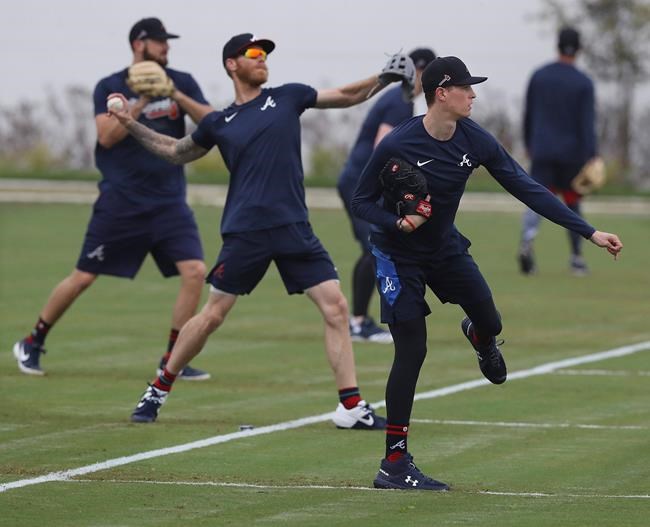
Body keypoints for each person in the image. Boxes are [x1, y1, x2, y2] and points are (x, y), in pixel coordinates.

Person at [107, 33, 415, 428]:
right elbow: (174, 151)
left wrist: (383, 77)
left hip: (294, 228)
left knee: (336, 307)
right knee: (213, 314)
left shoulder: (287, 96)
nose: (262, 59)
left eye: (265, 54)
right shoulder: (220, 122)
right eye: (253, 54)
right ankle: (159, 387)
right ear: (232, 64)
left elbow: (346, 95)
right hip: (246, 231)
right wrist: (129, 122)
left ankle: (351, 406)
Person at [351, 56, 623, 490]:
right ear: (442, 92)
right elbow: (360, 202)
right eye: (466, 87)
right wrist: (397, 223)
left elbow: (527, 187)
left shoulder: (475, 140)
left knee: (490, 320)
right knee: (412, 350)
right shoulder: (397, 145)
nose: (473, 94)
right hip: (398, 257)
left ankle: (480, 337)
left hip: (445, 248)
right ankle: (394, 465)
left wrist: (589, 232)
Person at [12, 17, 214, 380]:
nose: (166, 47)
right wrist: (144, 100)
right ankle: (33, 340)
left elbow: (213, 122)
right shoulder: (112, 86)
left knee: (196, 272)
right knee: (84, 277)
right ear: (139, 44)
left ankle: (172, 359)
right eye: (159, 41)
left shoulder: (180, 81)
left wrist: (175, 94)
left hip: (169, 201)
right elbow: (106, 136)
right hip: (123, 201)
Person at [337, 47, 436, 344]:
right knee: (373, 248)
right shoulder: (400, 103)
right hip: (361, 184)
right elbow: (385, 147)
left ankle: (358, 321)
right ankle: (358, 323)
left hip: (360, 181)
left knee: (372, 248)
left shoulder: (398, 100)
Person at [518, 27, 597, 276]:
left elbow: (528, 114)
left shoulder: (539, 76)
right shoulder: (583, 82)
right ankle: (576, 258)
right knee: (572, 205)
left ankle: (527, 245)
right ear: (579, 48)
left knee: (536, 201)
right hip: (572, 154)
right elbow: (587, 123)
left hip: (542, 149)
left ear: (557, 45)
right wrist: (592, 154)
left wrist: (529, 143)